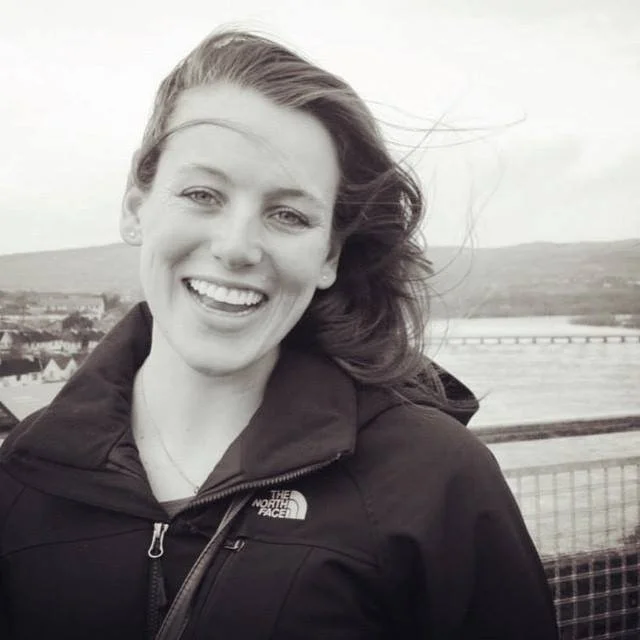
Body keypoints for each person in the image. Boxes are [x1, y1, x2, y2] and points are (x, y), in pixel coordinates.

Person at [0, 29, 558, 639]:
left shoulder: (435, 479)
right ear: (137, 208)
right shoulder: (22, 475)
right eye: (202, 194)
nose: (238, 247)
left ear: (329, 255)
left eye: (289, 214)